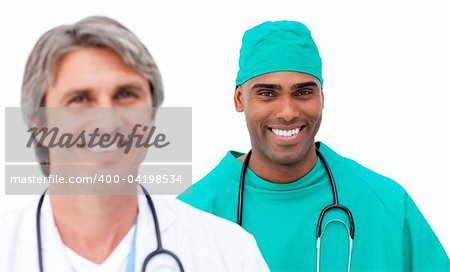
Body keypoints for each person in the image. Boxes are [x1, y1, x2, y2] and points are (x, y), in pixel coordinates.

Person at [0, 16, 269, 272]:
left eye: (126, 95)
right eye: (80, 99)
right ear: (40, 125)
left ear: (151, 117)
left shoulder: (229, 254)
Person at [179, 20, 449, 271]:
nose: (287, 112)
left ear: (321, 97)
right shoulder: (189, 216)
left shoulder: (385, 203)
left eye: (303, 92)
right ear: (240, 99)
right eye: (267, 93)